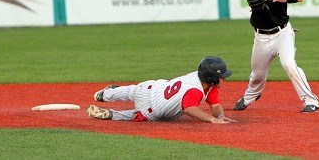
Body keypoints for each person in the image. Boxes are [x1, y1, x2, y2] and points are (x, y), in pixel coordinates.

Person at [229, 0, 319, 113]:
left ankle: (310, 101)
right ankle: (250, 96)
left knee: (289, 64)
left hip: (282, 33)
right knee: (257, 75)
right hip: (261, 36)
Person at [86, 56, 237, 123]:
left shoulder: (202, 80)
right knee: (135, 115)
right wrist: (211, 119)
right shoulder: (196, 90)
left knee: (131, 90)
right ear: (211, 78)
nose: (224, 78)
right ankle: (112, 114)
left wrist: (220, 116)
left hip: (152, 88)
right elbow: (189, 108)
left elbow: (215, 105)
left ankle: (105, 94)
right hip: (152, 110)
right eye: (221, 76)